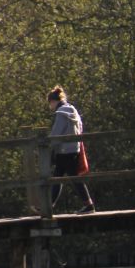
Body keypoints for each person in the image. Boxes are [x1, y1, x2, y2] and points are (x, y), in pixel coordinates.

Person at [47, 86, 95, 214]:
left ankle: (89, 205)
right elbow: (80, 128)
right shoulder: (73, 110)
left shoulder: (61, 113)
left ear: (52, 101)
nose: (50, 107)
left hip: (64, 151)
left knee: (62, 178)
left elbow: (56, 133)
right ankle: (50, 205)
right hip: (74, 148)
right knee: (60, 176)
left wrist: (48, 145)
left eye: (49, 104)